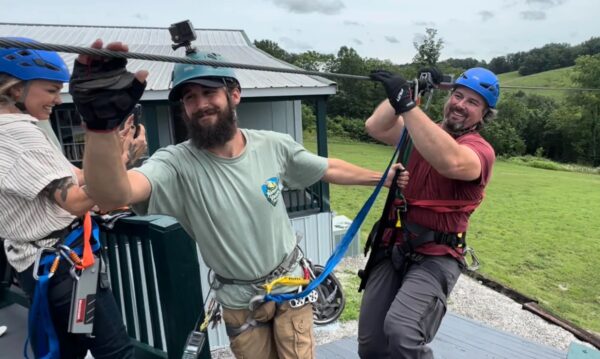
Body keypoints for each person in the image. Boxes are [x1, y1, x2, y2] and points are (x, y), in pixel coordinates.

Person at [72, 39, 405, 359]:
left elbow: (326, 167)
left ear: (234, 95)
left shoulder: (273, 145)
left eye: (209, 92)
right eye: (189, 97)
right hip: (238, 301)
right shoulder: (175, 163)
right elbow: (114, 193)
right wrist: (100, 128)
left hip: (291, 287)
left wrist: (383, 178)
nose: (200, 104)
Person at [0, 38, 145, 358]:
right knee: (117, 352)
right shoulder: (16, 134)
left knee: (67, 352)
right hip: (65, 268)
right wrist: (120, 162)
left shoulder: (18, 130)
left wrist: (115, 157)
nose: (58, 98)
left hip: (41, 265)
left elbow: (74, 176)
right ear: (15, 89)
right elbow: (76, 201)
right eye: (51, 89)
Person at [358, 67, 499, 358]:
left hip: (437, 254)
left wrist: (407, 104)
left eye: (473, 102)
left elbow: (451, 162)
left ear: (485, 115)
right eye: (458, 96)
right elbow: (376, 126)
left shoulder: (479, 151)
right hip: (394, 244)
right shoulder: (420, 134)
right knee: (371, 345)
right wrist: (413, 92)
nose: (460, 104)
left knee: (402, 332)